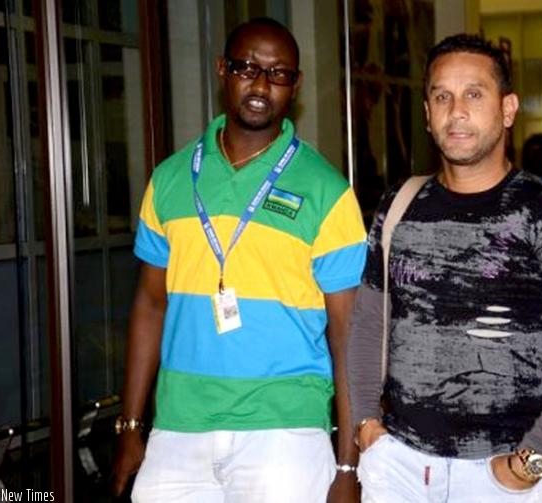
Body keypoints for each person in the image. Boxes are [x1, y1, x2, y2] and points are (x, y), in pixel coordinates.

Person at [347, 33, 542, 503]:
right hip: (400, 470)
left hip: (504, 476)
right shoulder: (399, 205)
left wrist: (531, 463)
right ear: (428, 114)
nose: (457, 111)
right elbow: (369, 322)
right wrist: (367, 425)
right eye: (441, 96)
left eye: (474, 94)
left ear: (508, 108)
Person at [111, 17, 366, 503]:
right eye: (248, 67)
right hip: (179, 426)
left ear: (296, 85)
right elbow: (149, 305)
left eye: (279, 73)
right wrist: (129, 424)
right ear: (222, 70)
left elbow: (347, 336)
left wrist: (347, 462)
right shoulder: (169, 179)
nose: (261, 84)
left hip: (285, 433)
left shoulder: (326, 191)